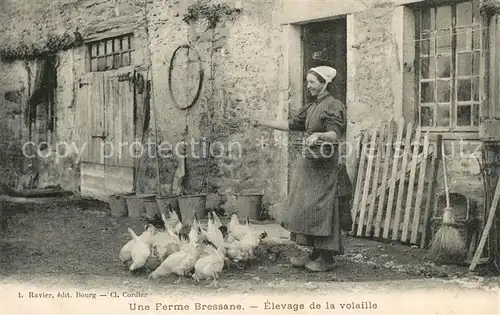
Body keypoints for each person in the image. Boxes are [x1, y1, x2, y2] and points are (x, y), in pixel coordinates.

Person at [255, 66, 353, 272]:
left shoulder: (333, 106)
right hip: (311, 165)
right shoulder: (312, 107)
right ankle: (314, 253)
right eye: (307, 82)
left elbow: (335, 135)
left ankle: (327, 258)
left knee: (322, 208)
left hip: (325, 165)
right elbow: (292, 125)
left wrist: (319, 135)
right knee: (307, 208)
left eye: (312, 82)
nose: (308, 86)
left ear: (324, 83)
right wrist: (264, 122)